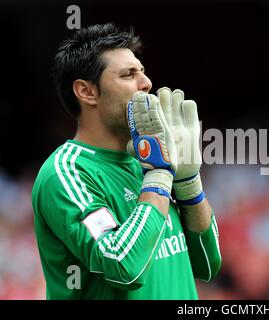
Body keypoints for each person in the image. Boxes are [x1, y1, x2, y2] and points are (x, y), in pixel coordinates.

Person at [31, 23, 221, 299]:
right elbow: (122, 266)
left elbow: (207, 263)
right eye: (128, 74)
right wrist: (158, 176)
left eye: (142, 72)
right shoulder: (66, 173)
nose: (146, 83)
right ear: (86, 92)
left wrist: (188, 182)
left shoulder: (148, 160)